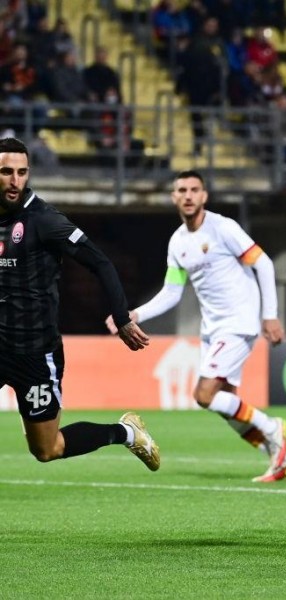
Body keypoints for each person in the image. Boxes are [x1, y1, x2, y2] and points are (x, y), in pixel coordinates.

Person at [104, 170, 286, 483]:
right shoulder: (178, 242)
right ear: (174, 197)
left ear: (204, 196)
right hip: (212, 328)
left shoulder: (223, 228)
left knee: (204, 395)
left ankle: (273, 428)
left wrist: (270, 315)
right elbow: (172, 292)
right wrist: (135, 314)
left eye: (195, 189)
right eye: (182, 190)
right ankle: (281, 458)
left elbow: (263, 262)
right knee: (227, 404)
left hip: (239, 322)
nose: (189, 195)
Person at [0, 137, 159, 471]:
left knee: (47, 449)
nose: (15, 180)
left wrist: (122, 317)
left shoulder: (44, 220)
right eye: (6, 172)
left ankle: (125, 432)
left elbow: (100, 263)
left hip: (35, 352)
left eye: (22, 172)